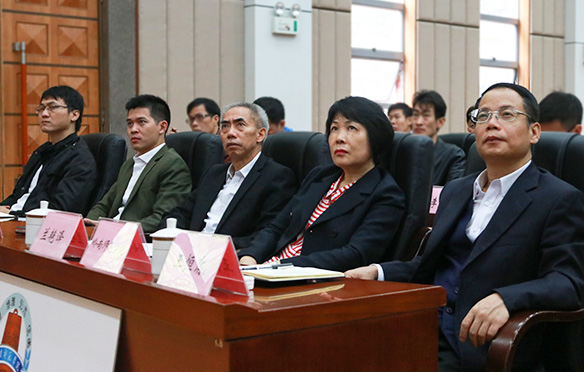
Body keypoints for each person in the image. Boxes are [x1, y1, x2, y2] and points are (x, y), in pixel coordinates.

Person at [346, 83, 584, 372]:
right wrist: (377, 271)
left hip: (484, 345)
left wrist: (507, 298)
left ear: (534, 132)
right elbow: (431, 266)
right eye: (483, 115)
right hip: (424, 328)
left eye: (507, 114)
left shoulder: (558, 199)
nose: (492, 123)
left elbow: (568, 282)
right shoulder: (456, 190)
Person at [238, 96, 405, 272]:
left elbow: (356, 254)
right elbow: (277, 227)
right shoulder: (320, 176)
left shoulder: (386, 194)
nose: (339, 138)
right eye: (334, 128)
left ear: (376, 137)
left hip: (307, 278)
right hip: (266, 269)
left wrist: (281, 267)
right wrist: (250, 257)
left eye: (351, 128)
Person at [161, 102, 296, 249]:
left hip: (230, 255)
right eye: (225, 126)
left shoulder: (277, 177)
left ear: (260, 134)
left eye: (240, 125)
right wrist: (173, 233)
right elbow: (181, 213)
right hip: (190, 251)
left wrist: (208, 243)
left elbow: (267, 235)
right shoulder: (215, 174)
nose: (230, 133)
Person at [86, 95, 191, 233]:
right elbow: (104, 205)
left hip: (136, 239)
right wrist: (88, 224)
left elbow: (162, 219)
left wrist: (116, 229)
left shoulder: (173, 165)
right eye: (130, 124)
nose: (133, 129)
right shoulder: (129, 164)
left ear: (162, 127)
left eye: (141, 122)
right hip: (109, 235)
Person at [0, 85, 97, 217]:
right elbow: (18, 196)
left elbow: (61, 210)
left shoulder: (80, 160)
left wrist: (13, 214)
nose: (44, 114)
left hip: (34, 224)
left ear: (74, 114)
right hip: (14, 218)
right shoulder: (42, 152)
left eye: (52, 107)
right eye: (41, 108)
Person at [412, 90, 466, 185]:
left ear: (440, 122)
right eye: (415, 115)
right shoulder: (404, 151)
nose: (418, 122)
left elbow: (454, 191)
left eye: (426, 115)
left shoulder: (454, 155)